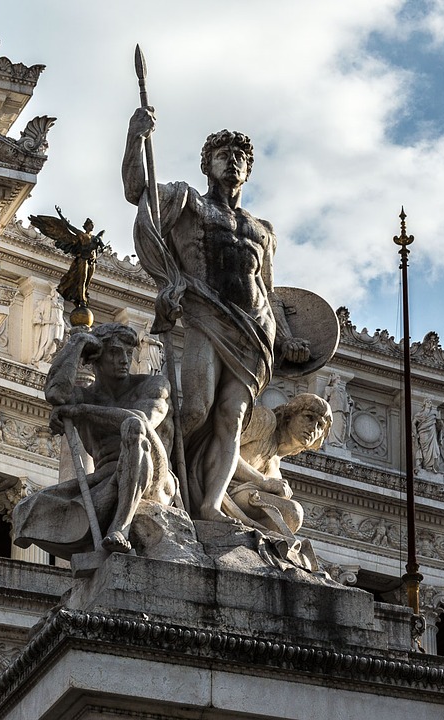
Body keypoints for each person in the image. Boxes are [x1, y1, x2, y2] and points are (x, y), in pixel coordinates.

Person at [123, 107, 310, 522]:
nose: (234, 162)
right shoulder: (187, 202)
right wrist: (136, 138)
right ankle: (157, 472)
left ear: (248, 171)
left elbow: (268, 288)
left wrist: (284, 338)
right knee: (195, 410)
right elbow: (137, 190)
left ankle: (209, 504)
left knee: (233, 417)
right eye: (224, 155)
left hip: (255, 330)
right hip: (206, 316)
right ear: (207, 165)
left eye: (241, 158)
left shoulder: (262, 229)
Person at [12, 323, 176, 557]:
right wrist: (78, 342)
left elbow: (141, 420)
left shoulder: (152, 385)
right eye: (114, 352)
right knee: (25, 511)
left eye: (128, 353)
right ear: (95, 357)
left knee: (132, 426)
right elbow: (55, 394)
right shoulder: (84, 395)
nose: (124, 360)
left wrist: (81, 411)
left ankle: (121, 527)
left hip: (153, 477)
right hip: (105, 479)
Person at [228, 393, 332, 538]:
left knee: (291, 516)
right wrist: (263, 481)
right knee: (293, 512)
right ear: (290, 415)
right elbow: (222, 446)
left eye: (320, 425)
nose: (313, 428)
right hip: (221, 490)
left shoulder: (276, 470)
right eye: (309, 417)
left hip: (241, 501)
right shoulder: (265, 420)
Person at [322, 373, 352, 448]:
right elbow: (325, 400)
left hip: (342, 411)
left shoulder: (342, 390)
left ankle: (339, 442)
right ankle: (333, 442)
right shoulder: (329, 389)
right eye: (338, 378)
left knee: (342, 426)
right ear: (334, 379)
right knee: (334, 425)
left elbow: (348, 401)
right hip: (334, 410)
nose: (339, 379)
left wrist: (350, 402)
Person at [413, 397, 442, 473]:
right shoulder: (420, 414)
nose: (429, 403)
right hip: (423, 432)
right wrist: (414, 433)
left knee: (435, 451)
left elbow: (439, 427)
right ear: (424, 404)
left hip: (432, 433)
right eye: (428, 402)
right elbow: (413, 423)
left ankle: (430, 467)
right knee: (425, 450)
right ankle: (425, 466)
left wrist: (439, 420)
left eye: (430, 402)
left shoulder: (434, 414)